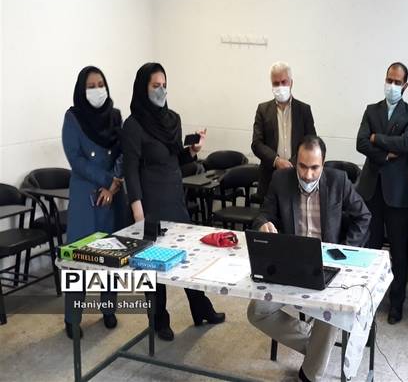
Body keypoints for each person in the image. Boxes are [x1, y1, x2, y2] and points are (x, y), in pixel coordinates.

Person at [248, 136, 371, 382]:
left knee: (332, 310)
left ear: (323, 164)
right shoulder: (281, 179)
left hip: (328, 264)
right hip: (292, 261)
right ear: (296, 162)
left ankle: (310, 375)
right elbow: (263, 214)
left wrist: (344, 250)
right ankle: (315, 347)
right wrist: (263, 224)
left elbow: (363, 216)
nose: (307, 174)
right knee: (257, 311)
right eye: (302, 166)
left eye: (314, 167)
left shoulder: (338, 181)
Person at [122, 62, 225, 341]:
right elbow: (130, 170)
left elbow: (174, 158)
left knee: (188, 256)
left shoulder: (173, 119)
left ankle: (200, 308)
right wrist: (137, 210)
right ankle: (159, 320)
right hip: (150, 201)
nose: (161, 90)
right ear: (142, 88)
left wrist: (192, 151)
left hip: (174, 197)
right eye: (155, 85)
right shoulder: (133, 125)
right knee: (153, 264)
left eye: (164, 85)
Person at [61, 66, 126, 339]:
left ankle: (108, 309)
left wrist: (114, 183)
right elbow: (75, 159)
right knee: (79, 259)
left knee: (111, 255)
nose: (98, 90)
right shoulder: (73, 118)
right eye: (91, 86)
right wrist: (106, 181)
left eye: (101, 84)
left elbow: (123, 151)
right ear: (81, 89)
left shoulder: (115, 116)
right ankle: (72, 318)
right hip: (86, 197)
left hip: (112, 196)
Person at [356, 61, 408, 324]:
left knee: (399, 251)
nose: (392, 85)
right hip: (370, 190)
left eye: (397, 82)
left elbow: (405, 143)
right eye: (389, 80)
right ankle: (367, 299)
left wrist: (376, 138)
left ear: (405, 85)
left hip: (396, 194)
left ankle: (396, 304)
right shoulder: (371, 110)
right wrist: (385, 153)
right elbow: (360, 142)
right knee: (370, 248)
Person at [251, 61, 317, 198]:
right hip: (269, 177)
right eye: (276, 83)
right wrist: (276, 161)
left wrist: (292, 163)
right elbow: (257, 144)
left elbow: (311, 143)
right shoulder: (263, 110)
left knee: (296, 212)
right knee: (269, 212)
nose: (280, 86)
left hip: (298, 175)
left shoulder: (304, 110)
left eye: (283, 82)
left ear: (291, 83)